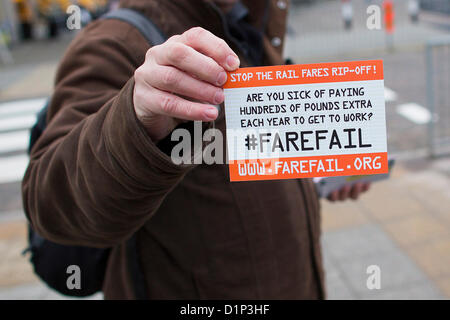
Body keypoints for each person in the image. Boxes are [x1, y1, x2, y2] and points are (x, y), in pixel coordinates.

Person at [22, 0, 369, 299]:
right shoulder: (115, 39)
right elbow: (49, 199)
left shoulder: (248, 22)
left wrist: (319, 177)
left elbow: (242, 156)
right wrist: (135, 121)